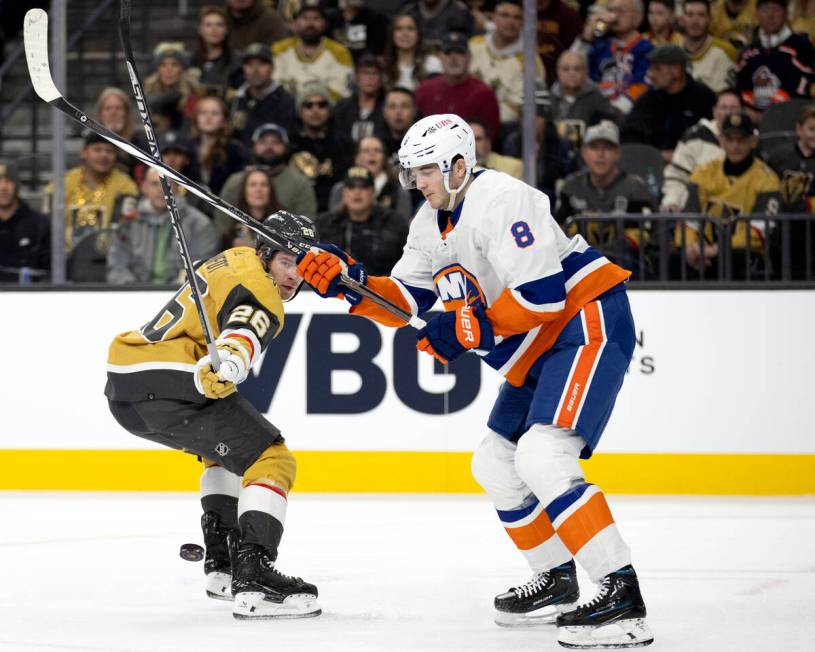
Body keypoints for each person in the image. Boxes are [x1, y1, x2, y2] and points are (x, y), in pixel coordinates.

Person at [295, 113, 653, 649]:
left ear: (459, 165)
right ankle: (556, 579)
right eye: (411, 173)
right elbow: (407, 301)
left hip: (585, 324)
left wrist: (465, 330)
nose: (417, 182)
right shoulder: (427, 221)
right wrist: (350, 284)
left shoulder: (505, 200)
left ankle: (621, 595)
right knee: (494, 461)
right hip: (537, 349)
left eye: (425, 171)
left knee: (542, 456)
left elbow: (543, 295)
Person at [105, 210, 321, 619]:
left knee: (224, 453)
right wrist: (235, 360)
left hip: (126, 384)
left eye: (302, 265)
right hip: (170, 380)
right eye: (287, 262)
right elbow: (244, 328)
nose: (295, 275)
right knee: (272, 458)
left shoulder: (232, 257)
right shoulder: (262, 287)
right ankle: (254, 574)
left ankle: (221, 564)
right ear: (266, 254)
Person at [677, 112, 782, 277]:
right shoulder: (702, 173)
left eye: (741, 140)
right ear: (721, 140)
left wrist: (717, 250)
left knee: (737, 258)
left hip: (744, 255)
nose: (735, 145)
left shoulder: (767, 180)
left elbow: (757, 232)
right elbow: (689, 220)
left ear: (753, 141)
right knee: (675, 259)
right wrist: (691, 248)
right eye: (730, 139)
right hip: (704, 252)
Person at [557, 121, 656, 275]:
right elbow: (559, 232)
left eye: (607, 147)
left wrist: (602, 256)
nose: (600, 154)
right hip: (578, 273)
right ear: (583, 152)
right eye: (594, 147)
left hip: (626, 272)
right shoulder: (570, 188)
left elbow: (645, 234)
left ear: (618, 153)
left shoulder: (635, 188)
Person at [106, 168, 218, 285]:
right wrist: (135, 291)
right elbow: (117, 266)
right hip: (134, 295)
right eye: (155, 184)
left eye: (167, 184)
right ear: (144, 187)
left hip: (180, 296)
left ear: (178, 188)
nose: (161, 190)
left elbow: (201, 269)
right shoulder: (128, 222)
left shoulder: (199, 224)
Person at [621, 45, 716, 160]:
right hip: (651, 164)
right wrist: (654, 154)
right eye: (650, 69)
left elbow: (713, 135)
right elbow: (630, 134)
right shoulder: (648, 99)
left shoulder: (703, 98)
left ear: (676, 70)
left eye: (657, 69)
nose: (651, 75)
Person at [50, 131, 139, 254]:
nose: (104, 155)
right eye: (97, 150)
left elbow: (125, 226)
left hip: (108, 255)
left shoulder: (125, 184)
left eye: (109, 151)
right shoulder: (64, 182)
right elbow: (48, 220)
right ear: (84, 153)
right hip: (66, 255)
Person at [315, 166, 409, 275]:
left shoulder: (394, 223)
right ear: (343, 193)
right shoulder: (324, 223)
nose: (357, 192)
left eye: (363, 187)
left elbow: (405, 266)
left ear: (373, 192)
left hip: (382, 287)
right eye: (351, 187)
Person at [219, 123, 318, 225]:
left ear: (286, 148)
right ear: (253, 146)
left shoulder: (300, 183)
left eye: (276, 142)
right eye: (263, 142)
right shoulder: (236, 181)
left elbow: (307, 226)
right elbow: (222, 223)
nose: (269, 147)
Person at [661, 89, 742, 211]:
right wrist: (672, 201)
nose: (728, 113)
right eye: (723, 108)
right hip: (698, 211)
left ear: (742, 112)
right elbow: (677, 176)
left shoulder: (751, 140)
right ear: (715, 112)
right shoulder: (695, 137)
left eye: (733, 108)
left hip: (741, 210)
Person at [468, 0, 546, 127]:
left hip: (507, 127)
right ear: (493, 17)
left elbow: (534, 106)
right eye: (505, 15)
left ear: (523, 22)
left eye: (517, 17)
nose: (510, 22)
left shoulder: (530, 60)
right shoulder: (474, 45)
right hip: (468, 120)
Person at [415, 32, 501, 143]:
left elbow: (489, 138)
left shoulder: (484, 94)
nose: (454, 58)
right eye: (448, 53)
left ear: (469, 57)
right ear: (440, 57)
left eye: (460, 52)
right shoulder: (423, 91)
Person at [573, 0, 654, 114]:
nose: (614, 15)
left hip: (630, 116)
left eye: (621, 10)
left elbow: (643, 86)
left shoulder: (646, 49)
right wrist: (588, 34)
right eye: (611, 10)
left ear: (637, 17)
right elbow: (572, 67)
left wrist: (614, 111)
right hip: (597, 112)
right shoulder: (600, 47)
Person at [735, 0, 815, 114]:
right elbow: (741, 90)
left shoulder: (801, 47)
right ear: (756, 14)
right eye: (765, 10)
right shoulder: (748, 52)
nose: (770, 15)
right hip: (754, 120)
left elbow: (804, 93)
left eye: (775, 9)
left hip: (792, 118)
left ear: (786, 13)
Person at [764, 104, 815, 278]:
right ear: (799, 129)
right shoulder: (779, 157)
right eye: (811, 129)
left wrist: (805, 205)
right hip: (782, 235)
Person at [289, 81, 354, 212]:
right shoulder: (289, 144)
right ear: (299, 111)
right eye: (308, 105)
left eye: (322, 104)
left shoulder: (344, 144)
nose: (315, 110)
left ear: (330, 111)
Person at [272, 3, 354, 102]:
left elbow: (340, 90)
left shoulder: (339, 52)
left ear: (325, 24)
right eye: (305, 18)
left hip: (324, 109)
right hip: (285, 108)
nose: (310, 23)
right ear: (295, 23)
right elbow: (274, 83)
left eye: (316, 19)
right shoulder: (280, 48)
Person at [547, 51, 621, 149]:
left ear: (585, 72)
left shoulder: (598, 99)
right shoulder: (549, 99)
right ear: (558, 72)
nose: (571, 73)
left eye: (577, 69)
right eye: (566, 69)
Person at [229, 42, 297, 148]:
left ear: (272, 68)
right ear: (243, 69)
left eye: (262, 64)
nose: (255, 70)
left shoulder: (285, 100)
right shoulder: (236, 99)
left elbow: (288, 138)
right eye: (249, 65)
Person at [327, 135, 413, 215]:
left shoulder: (399, 191)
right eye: (366, 151)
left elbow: (402, 225)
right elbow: (332, 221)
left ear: (384, 158)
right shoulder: (341, 189)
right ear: (357, 158)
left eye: (377, 150)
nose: (372, 154)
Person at [0, 161, 50, 283]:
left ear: (17, 185)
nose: (3, 187)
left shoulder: (39, 224)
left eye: (9, 181)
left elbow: (49, 272)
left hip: (29, 298)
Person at [190, 95, 251, 196]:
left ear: (224, 121)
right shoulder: (186, 147)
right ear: (196, 119)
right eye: (203, 113)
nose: (208, 117)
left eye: (215, 113)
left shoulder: (235, 150)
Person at [680, 0, 738, 94]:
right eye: (690, 15)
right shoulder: (671, 49)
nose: (695, 21)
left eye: (701, 15)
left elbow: (725, 99)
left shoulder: (725, 51)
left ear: (709, 19)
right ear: (682, 19)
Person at [332, 53, 387, 143]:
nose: (370, 78)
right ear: (356, 78)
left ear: (381, 79)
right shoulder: (342, 108)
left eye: (374, 73)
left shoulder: (389, 107)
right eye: (365, 73)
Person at [225, 166, 284, 249]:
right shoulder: (232, 229)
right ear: (244, 191)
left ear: (271, 191)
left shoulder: (284, 224)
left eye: (264, 184)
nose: (258, 189)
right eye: (253, 185)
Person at [190, 5, 241, 98]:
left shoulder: (237, 62)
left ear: (226, 30)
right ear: (200, 30)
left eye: (219, 25)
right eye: (208, 25)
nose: (214, 30)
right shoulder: (191, 61)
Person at [382, 13, 443, 91]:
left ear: (418, 34)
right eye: (399, 29)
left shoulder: (432, 64)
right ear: (392, 34)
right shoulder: (385, 67)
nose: (405, 34)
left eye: (410, 29)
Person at [143, 43, 200, 123]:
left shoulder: (192, 95)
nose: (169, 70)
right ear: (157, 70)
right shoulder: (148, 93)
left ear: (182, 69)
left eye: (175, 65)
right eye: (163, 65)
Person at [536, 0, 584, 84]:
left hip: (557, 77)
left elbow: (575, 53)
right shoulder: (518, 11)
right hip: (523, 71)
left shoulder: (569, 15)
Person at [95, 87, 138, 177]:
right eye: (108, 108)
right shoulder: (92, 143)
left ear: (126, 113)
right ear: (100, 114)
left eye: (118, 108)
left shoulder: (140, 142)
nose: (113, 113)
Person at [400, 0, 475, 49]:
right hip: (416, 61)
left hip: (448, 62)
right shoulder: (409, 11)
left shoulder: (459, 11)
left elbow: (470, 44)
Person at [378, 87, 419, 161]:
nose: (398, 112)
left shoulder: (426, 143)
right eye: (392, 107)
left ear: (415, 111)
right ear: (384, 112)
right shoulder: (375, 145)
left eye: (405, 106)